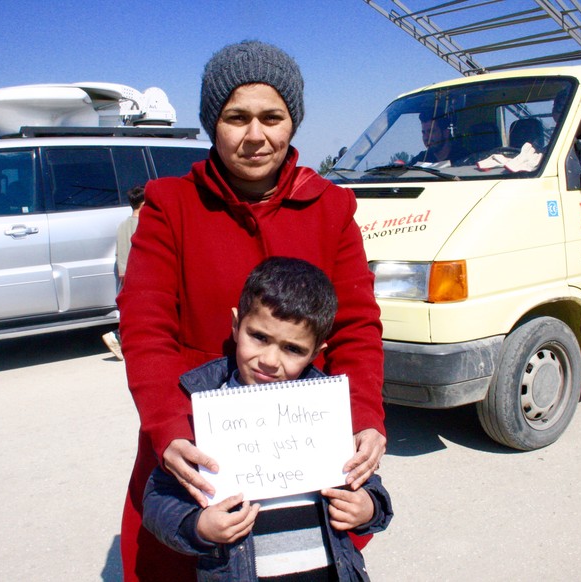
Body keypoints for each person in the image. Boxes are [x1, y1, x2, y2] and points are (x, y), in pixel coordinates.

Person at [116, 40, 386, 581]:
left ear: (293, 122)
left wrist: (366, 419)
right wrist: (168, 427)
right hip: (199, 440)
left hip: (304, 441)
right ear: (212, 125)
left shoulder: (331, 207)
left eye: (272, 117)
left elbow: (357, 325)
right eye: (236, 118)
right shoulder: (172, 206)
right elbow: (146, 327)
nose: (256, 136)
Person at [141, 257, 392, 580]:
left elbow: (367, 483)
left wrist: (367, 506)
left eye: (293, 349)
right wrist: (198, 526)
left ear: (317, 351)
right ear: (236, 325)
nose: (270, 360)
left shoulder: (326, 409)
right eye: (259, 337)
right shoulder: (201, 412)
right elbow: (159, 499)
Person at [102, 186, 145, 360]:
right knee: (140, 314)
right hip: (139, 276)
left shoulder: (122, 225)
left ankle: (122, 341)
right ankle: (116, 336)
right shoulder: (143, 225)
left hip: (126, 275)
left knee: (134, 313)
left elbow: (120, 251)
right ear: (144, 204)